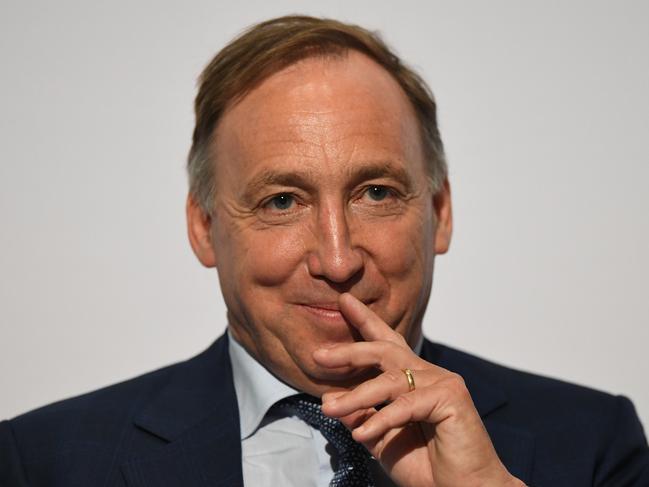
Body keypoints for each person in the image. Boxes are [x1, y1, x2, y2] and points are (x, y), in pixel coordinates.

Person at [1, 15, 647, 487]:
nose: (337, 260)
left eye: (374, 191)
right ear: (202, 227)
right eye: (282, 201)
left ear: (439, 212)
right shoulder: (42, 462)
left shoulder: (594, 445)